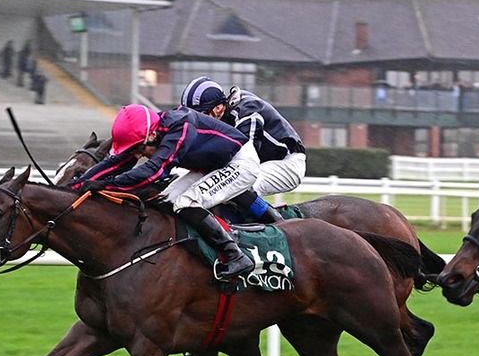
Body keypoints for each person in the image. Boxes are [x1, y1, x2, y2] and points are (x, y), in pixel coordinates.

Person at [69, 104, 260, 278]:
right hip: (212, 166)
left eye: (139, 149)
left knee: (186, 202)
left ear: (151, 136)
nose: (138, 155)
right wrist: (74, 187)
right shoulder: (148, 133)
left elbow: (154, 172)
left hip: (239, 162)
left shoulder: (180, 127)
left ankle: (235, 255)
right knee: (165, 200)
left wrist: (106, 184)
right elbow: (115, 163)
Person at [180, 76, 306, 223]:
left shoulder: (247, 113)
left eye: (199, 115)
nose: (196, 122)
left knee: (236, 183)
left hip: (287, 164)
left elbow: (245, 162)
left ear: (218, 108)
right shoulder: (223, 113)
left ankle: (278, 224)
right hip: (264, 163)